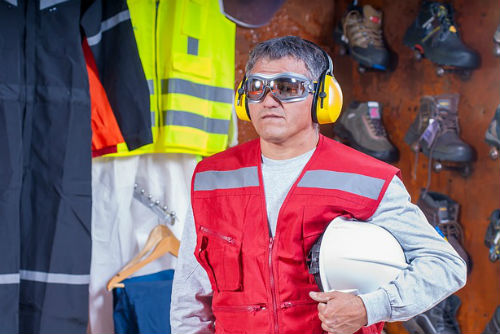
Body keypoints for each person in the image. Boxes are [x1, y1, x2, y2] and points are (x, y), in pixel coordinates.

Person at [170, 36, 466, 334]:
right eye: (256, 87)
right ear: (243, 98)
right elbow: (190, 299)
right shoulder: (212, 178)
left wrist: (369, 308)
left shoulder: (367, 179)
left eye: (287, 87)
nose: (269, 100)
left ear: (323, 97)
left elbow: (445, 265)